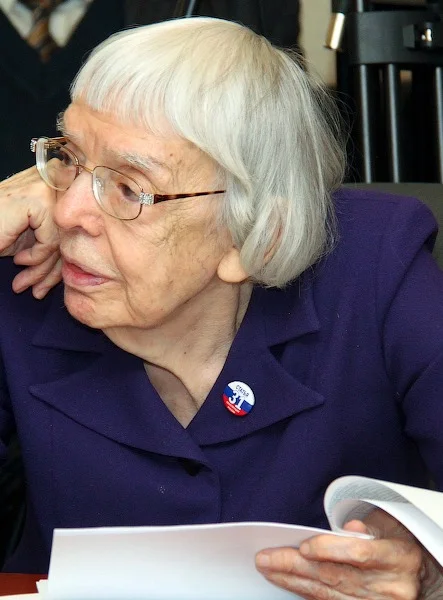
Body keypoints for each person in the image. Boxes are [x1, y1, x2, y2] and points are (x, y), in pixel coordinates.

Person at [0, 16, 442, 599]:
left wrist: (433, 573)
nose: (67, 213)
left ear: (258, 234)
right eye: (69, 160)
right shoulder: (26, 273)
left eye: (129, 188)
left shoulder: (377, 268)